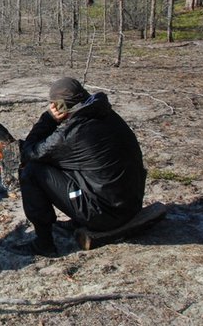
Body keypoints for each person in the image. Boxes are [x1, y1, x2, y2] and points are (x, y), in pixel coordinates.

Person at [12, 77, 147, 257]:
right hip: (130, 204)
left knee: (31, 171)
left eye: (55, 105)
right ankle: (78, 220)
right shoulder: (106, 114)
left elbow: (29, 153)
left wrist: (49, 119)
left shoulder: (73, 133)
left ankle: (44, 243)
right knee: (68, 166)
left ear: (60, 106)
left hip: (107, 215)